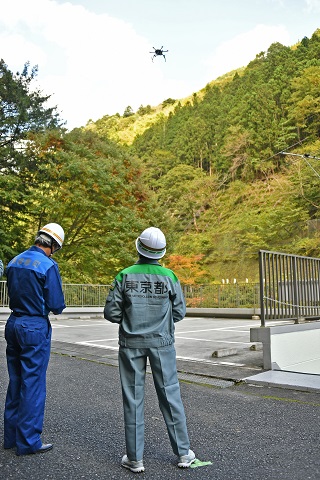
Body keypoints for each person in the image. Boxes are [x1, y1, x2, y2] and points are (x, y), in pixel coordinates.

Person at [104, 227, 195, 473]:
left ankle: (135, 459)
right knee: (170, 394)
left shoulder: (124, 275)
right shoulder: (170, 276)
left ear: (139, 247)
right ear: (162, 252)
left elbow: (111, 313)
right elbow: (179, 312)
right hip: (162, 342)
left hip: (131, 344)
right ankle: (184, 453)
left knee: (133, 398)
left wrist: (130, 319)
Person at [3, 223, 66, 456]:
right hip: (34, 327)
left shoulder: (14, 260)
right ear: (55, 245)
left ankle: (10, 437)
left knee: (16, 380)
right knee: (33, 384)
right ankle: (28, 441)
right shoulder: (47, 265)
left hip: (13, 323)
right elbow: (57, 306)